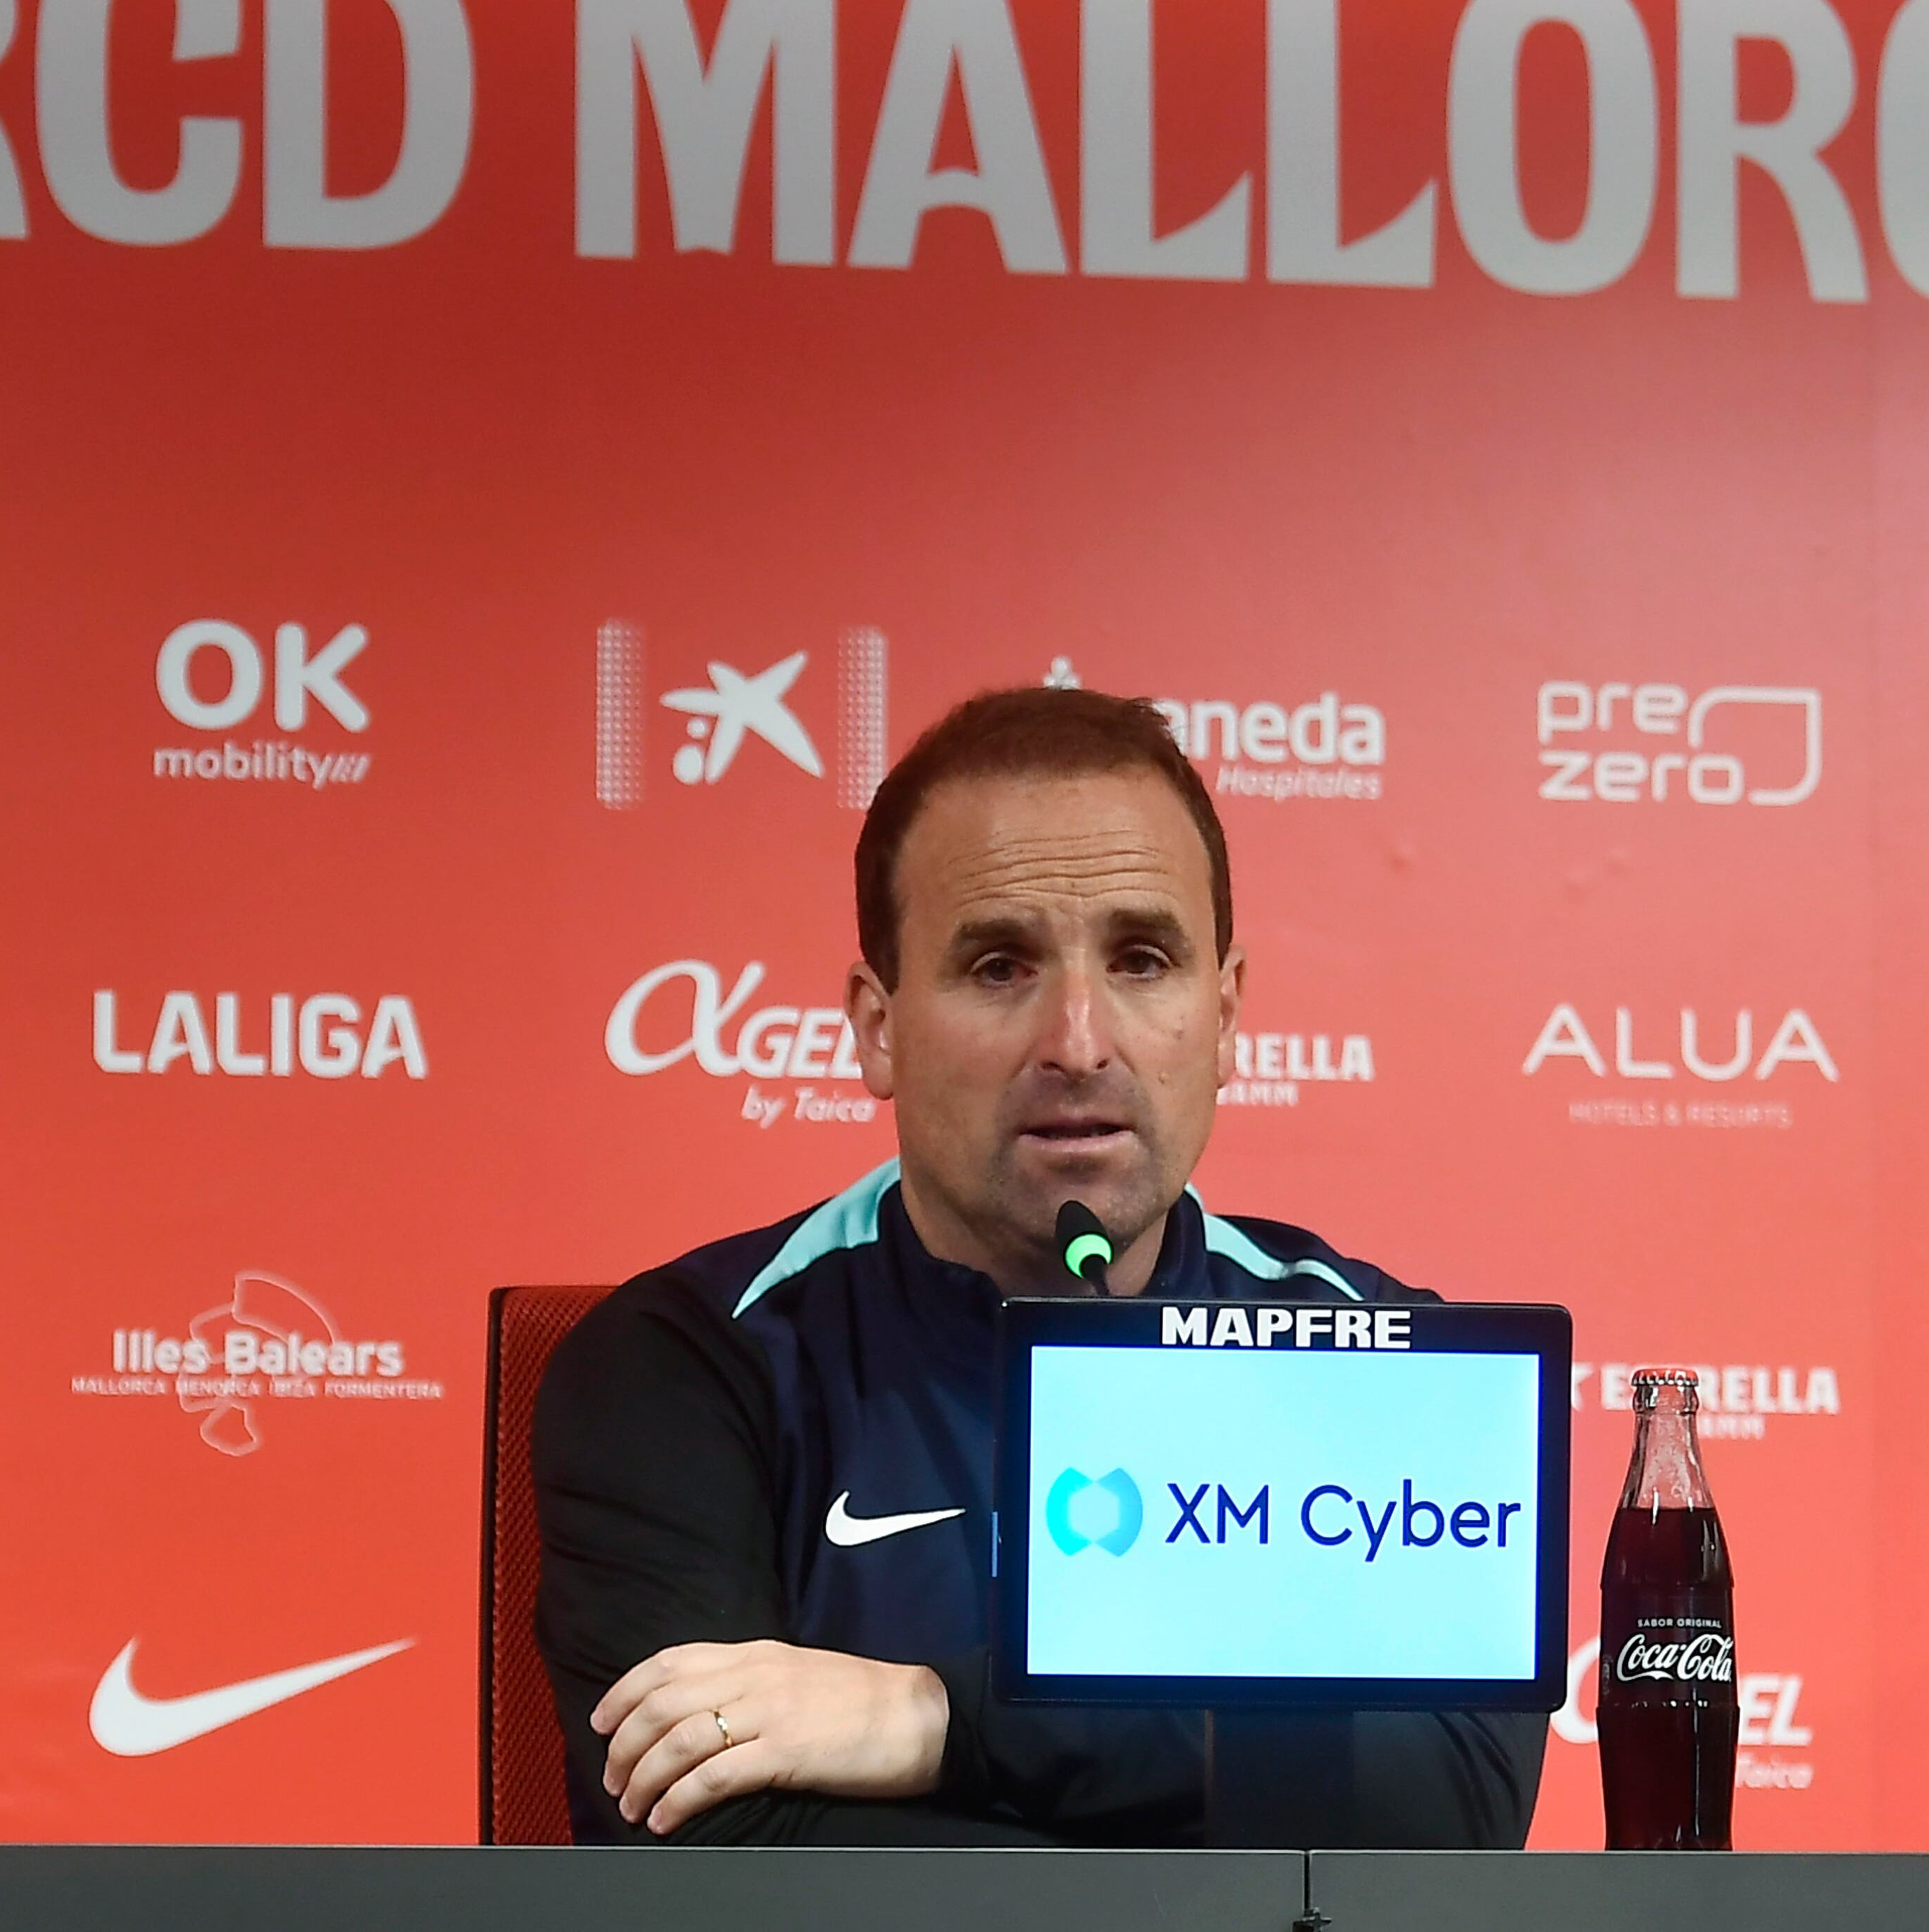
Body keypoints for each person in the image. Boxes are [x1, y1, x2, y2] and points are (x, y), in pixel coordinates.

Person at [531, 685, 1546, 1845]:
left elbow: (1449, 1807)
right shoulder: (686, 1364)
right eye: (1001, 965)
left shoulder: (1375, 1356)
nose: (1077, 1040)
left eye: (1143, 957)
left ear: (1224, 1017)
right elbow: (715, 1855)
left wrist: (929, 1720)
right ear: (876, 1025)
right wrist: (1218, 1803)